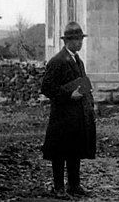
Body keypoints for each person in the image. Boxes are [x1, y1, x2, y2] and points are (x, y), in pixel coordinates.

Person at [41, 21, 96, 198]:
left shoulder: (77, 60)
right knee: (59, 153)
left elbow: (82, 83)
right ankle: (58, 188)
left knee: (75, 150)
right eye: (77, 39)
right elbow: (46, 88)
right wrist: (68, 96)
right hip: (62, 116)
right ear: (68, 41)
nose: (80, 42)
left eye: (81, 39)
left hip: (77, 115)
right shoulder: (57, 61)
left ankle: (74, 185)